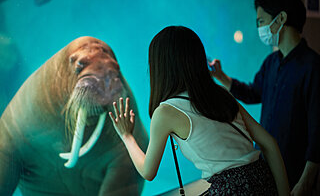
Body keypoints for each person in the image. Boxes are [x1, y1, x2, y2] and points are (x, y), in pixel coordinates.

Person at [109, 26, 290, 195]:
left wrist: (127, 136)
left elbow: (148, 172)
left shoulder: (165, 112)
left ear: (159, 66)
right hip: (262, 179)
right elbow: (269, 143)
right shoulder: (221, 94)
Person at [209, 0, 320, 195]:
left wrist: (306, 181)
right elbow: (253, 93)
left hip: (297, 175)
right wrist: (222, 77)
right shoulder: (271, 62)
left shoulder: (312, 67)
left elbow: (317, 135)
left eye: (261, 21)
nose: (259, 27)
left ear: (281, 19)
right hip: (268, 169)